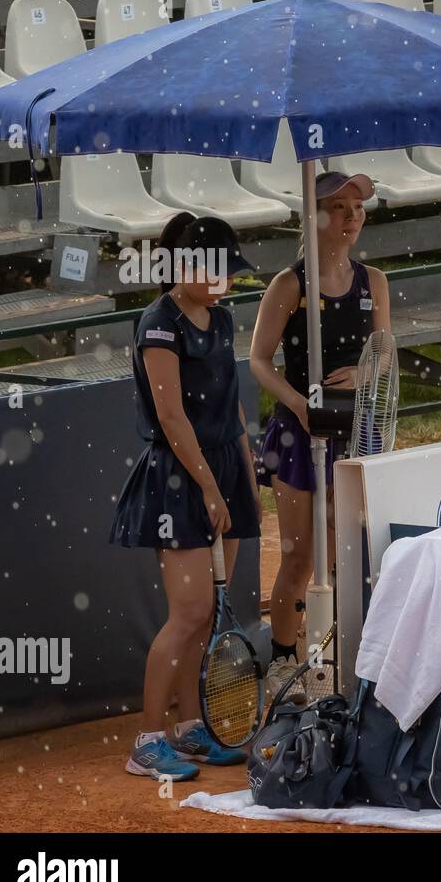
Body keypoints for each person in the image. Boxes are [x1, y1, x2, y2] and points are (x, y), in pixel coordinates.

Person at [110, 213, 262, 780]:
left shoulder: (221, 321)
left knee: (206, 621)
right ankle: (147, 742)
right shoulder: (158, 324)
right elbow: (172, 415)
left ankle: (191, 727)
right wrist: (207, 486)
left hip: (222, 469)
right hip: (179, 476)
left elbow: (235, 408)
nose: (225, 283)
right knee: (190, 613)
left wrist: (244, 478)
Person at [250, 172, 391, 705]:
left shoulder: (373, 281)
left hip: (355, 431)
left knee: (349, 553)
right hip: (300, 434)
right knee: (299, 557)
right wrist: (297, 404)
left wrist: (362, 374)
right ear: (315, 217)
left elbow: (386, 354)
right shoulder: (291, 285)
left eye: (358, 207)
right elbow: (260, 361)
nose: (352, 217)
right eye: (339, 206)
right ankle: (284, 665)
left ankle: (340, 662)